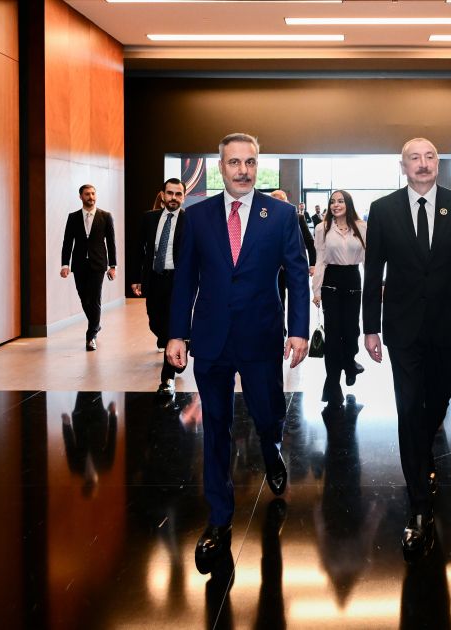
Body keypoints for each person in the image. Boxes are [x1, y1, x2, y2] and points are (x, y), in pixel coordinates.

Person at [166, 133, 310, 574]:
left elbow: (297, 273)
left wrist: (299, 330)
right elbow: (185, 278)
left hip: (260, 337)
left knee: (267, 413)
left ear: (257, 165)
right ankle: (219, 519)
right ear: (220, 167)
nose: (243, 170)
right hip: (211, 338)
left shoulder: (280, 214)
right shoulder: (197, 216)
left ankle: (272, 448)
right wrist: (176, 334)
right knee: (216, 427)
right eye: (234, 162)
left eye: (250, 162)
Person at [363, 137, 451, 562]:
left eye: (430, 157)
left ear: (438, 163)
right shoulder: (383, 210)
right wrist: (370, 328)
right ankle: (419, 506)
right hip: (402, 327)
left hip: (447, 324)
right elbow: (373, 272)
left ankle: (422, 450)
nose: (423, 164)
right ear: (402, 166)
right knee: (408, 406)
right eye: (414, 158)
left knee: (437, 399)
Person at [131, 178, 187, 397]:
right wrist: (136, 277)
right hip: (154, 278)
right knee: (155, 321)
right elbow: (138, 249)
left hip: (179, 280)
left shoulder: (190, 220)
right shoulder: (149, 218)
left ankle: (167, 376)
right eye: (170, 193)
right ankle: (179, 343)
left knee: (173, 325)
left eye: (178, 194)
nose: (174, 198)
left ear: (183, 197)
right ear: (163, 195)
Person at [312, 190, 367, 406]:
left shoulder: (361, 227)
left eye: (340, 201)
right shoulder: (322, 228)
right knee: (333, 334)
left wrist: (374, 287)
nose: (336, 205)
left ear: (348, 204)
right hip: (331, 282)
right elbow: (320, 260)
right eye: (332, 202)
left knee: (352, 331)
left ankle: (349, 362)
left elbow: (367, 260)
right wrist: (316, 290)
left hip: (353, 280)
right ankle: (333, 385)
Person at [60, 184, 117, 351]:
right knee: (84, 298)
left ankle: (91, 335)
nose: (91, 197)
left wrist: (113, 266)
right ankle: (96, 323)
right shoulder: (73, 217)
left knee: (95, 298)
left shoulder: (105, 216)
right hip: (79, 265)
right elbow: (67, 242)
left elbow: (111, 243)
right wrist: (65, 264)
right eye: (87, 194)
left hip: (98, 264)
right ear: (81, 197)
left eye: (93, 194)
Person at [270, 190, 316, 336]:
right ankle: (280, 328)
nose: (277, 203)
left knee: (297, 298)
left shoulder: (298, 217)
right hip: (275, 268)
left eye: (280, 200)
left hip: (294, 267)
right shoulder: (266, 219)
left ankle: (297, 332)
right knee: (278, 298)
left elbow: (309, 242)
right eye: (274, 200)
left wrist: (313, 264)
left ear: (286, 202)